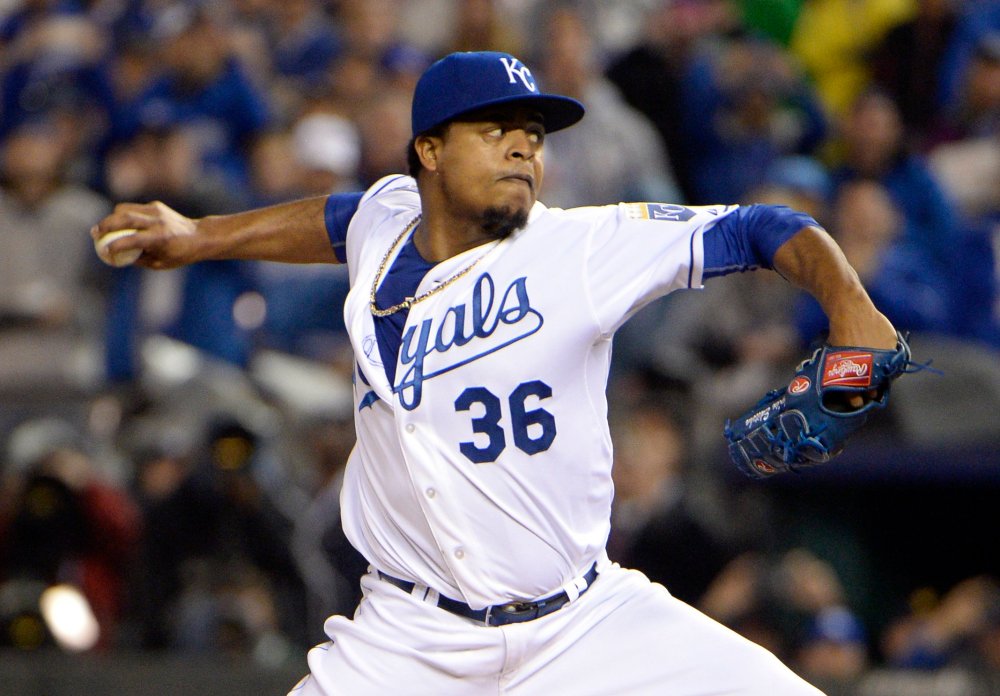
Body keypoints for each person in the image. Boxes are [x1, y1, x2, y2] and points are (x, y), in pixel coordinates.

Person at [94, 50, 897, 695]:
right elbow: (333, 221)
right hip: (408, 641)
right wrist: (201, 234)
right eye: (496, 128)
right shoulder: (389, 215)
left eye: (534, 135)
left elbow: (764, 227)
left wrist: (850, 309)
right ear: (429, 153)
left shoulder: (578, 249)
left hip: (582, 626)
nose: (524, 145)